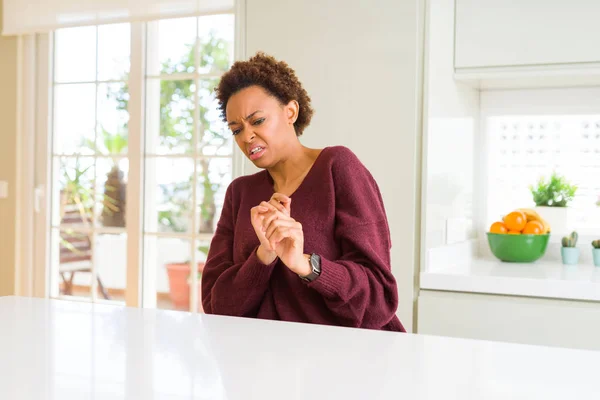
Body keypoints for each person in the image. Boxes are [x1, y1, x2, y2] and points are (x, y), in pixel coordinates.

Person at [201, 52, 405, 332]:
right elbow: (216, 307)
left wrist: (306, 265)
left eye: (257, 121)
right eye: (236, 129)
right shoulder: (240, 194)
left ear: (291, 112)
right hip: (261, 363)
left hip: (346, 361)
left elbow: (378, 298)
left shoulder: (338, 167)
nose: (246, 136)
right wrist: (264, 256)